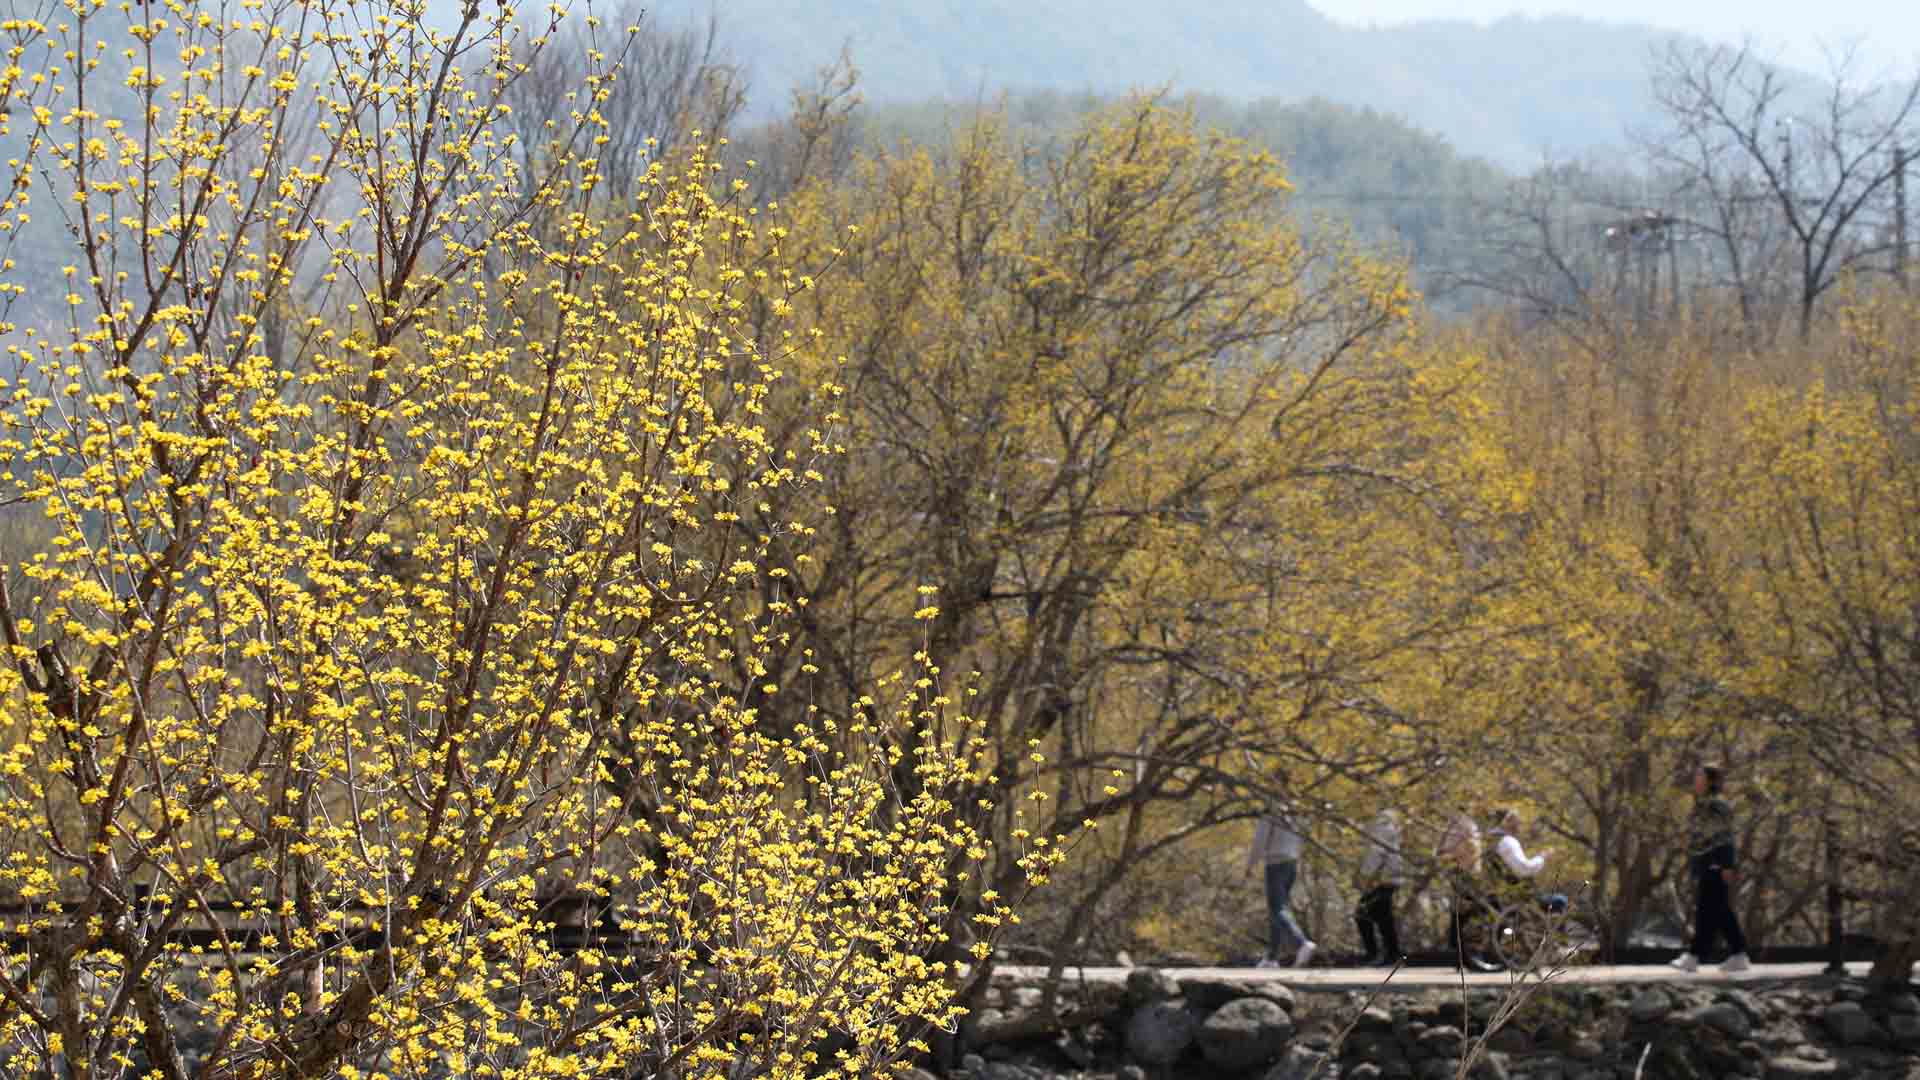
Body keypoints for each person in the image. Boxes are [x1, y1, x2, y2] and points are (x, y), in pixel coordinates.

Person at [1671, 764, 1750, 974]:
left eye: (1699, 775)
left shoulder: (1716, 806)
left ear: (1710, 781)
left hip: (1715, 864)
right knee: (1715, 911)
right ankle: (1736, 954)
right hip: (1708, 863)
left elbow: (1724, 837)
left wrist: (1725, 864)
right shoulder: (1705, 804)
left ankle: (1696, 956)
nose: (1695, 778)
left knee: (1712, 910)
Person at [1248, 800, 1317, 968]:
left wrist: (1250, 864)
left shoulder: (1271, 813)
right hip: (1291, 863)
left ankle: (1301, 943)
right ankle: (1272, 957)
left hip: (1275, 863)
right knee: (1279, 909)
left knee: (1278, 908)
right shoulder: (1296, 813)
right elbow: (1303, 837)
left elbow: (1260, 841)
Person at [1437, 810, 1500, 972]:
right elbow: (1449, 852)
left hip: (1466, 874)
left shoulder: (1460, 824)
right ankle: (1466, 955)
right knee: (1467, 915)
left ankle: (1462, 956)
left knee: (1463, 915)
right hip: (1464, 875)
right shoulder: (1462, 825)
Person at [1485, 809, 1568, 913]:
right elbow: (1525, 869)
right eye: (1516, 820)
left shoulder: (1491, 842)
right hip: (1521, 896)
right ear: (1507, 821)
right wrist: (1542, 857)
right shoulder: (1507, 842)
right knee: (1561, 900)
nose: (1520, 823)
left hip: (1505, 894)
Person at [1355, 809, 1402, 967]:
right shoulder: (1388, 824)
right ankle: (1390, 955)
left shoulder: (1380, 826)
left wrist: (1365, 875)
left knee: (1364, 915)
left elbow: (1376, 854)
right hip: (1388, 877)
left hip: (1382, 878)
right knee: (1383, 918)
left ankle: (1378, 954)